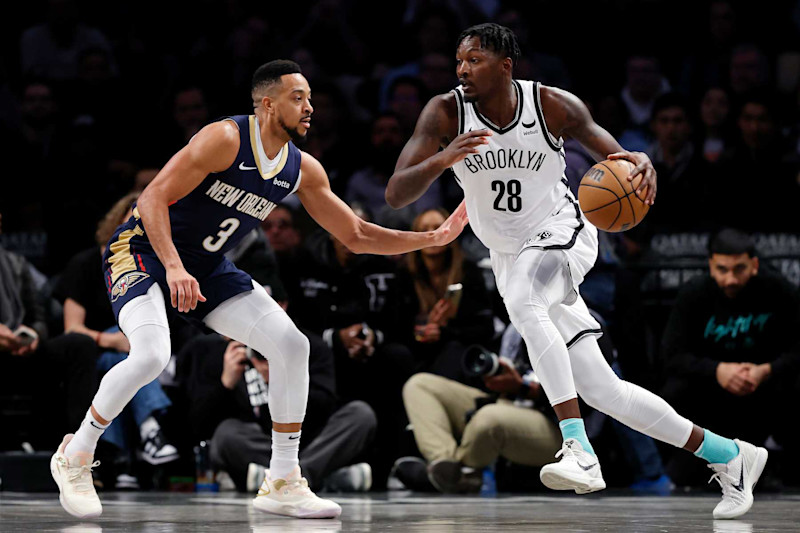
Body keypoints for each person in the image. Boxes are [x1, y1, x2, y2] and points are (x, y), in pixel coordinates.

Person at [50, 59, 468, 520]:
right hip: (144, 250)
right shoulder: (225, 138)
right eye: (298, 98)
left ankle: (283, 481)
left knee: (292, 345)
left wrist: (429, 239)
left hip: (205, 264)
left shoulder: (301, 168)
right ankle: (77, 454)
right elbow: (151, 198)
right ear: (267, 104)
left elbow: (356, 234)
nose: (310, 108)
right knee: (150, 354)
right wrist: (172, 267)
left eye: (311, 99)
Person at [385, 23, 767, 519]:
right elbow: (396, 192)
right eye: (458, 60)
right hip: (508, 254)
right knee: (602, 389)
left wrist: (640, 161)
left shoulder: (550, 105)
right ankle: (731, 456)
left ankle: (578, 449)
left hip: (562, 231)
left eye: (473, 60)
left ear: (505, 66)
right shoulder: (444, 111)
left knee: (525, 300)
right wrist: (444, 159)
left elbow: (618, 157)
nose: (461, 69)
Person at [661, 229, 800, 486]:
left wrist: (767, 370)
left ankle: (780, 466)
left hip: (766, 383)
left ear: (754, 265)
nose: (731, 279)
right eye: (722, 269)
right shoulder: (694, 294)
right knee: (675, 390)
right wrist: (717, 370)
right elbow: (672, 355)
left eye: (739, 269)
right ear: (711, 265)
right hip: (709, 384)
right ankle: (692, 465)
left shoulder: (779, 290)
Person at [183, 333, 376, 493]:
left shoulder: (305, 344)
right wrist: (225, 383)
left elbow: (325, 405)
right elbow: (198, 426)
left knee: (360, 414)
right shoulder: (228, 353)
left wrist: (282, 381)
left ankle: (282, 480)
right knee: (226, 433)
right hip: (264, 444)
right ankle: (320, 479)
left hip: (312, 441)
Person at [399, 322, 561, 494]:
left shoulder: (575, 323)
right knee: (420, 385)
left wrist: (525, 388)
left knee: (488, 418)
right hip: (507, 401)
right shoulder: (516, 325)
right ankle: (447, 467)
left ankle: (454, 476)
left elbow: (584, 401)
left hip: (558, 424)